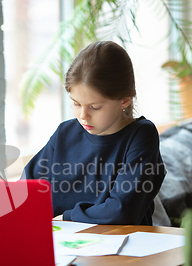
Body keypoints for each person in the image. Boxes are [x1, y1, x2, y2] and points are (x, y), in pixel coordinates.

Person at [23, 41, 165, 225]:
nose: (83, 116)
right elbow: (27, 190)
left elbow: (122, 211)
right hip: (65, 247)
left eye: (95, 107)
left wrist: (68, 216)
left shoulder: (141, 136)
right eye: (76, 104)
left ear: (124, 101)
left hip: (123, 247)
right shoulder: (64, 133)